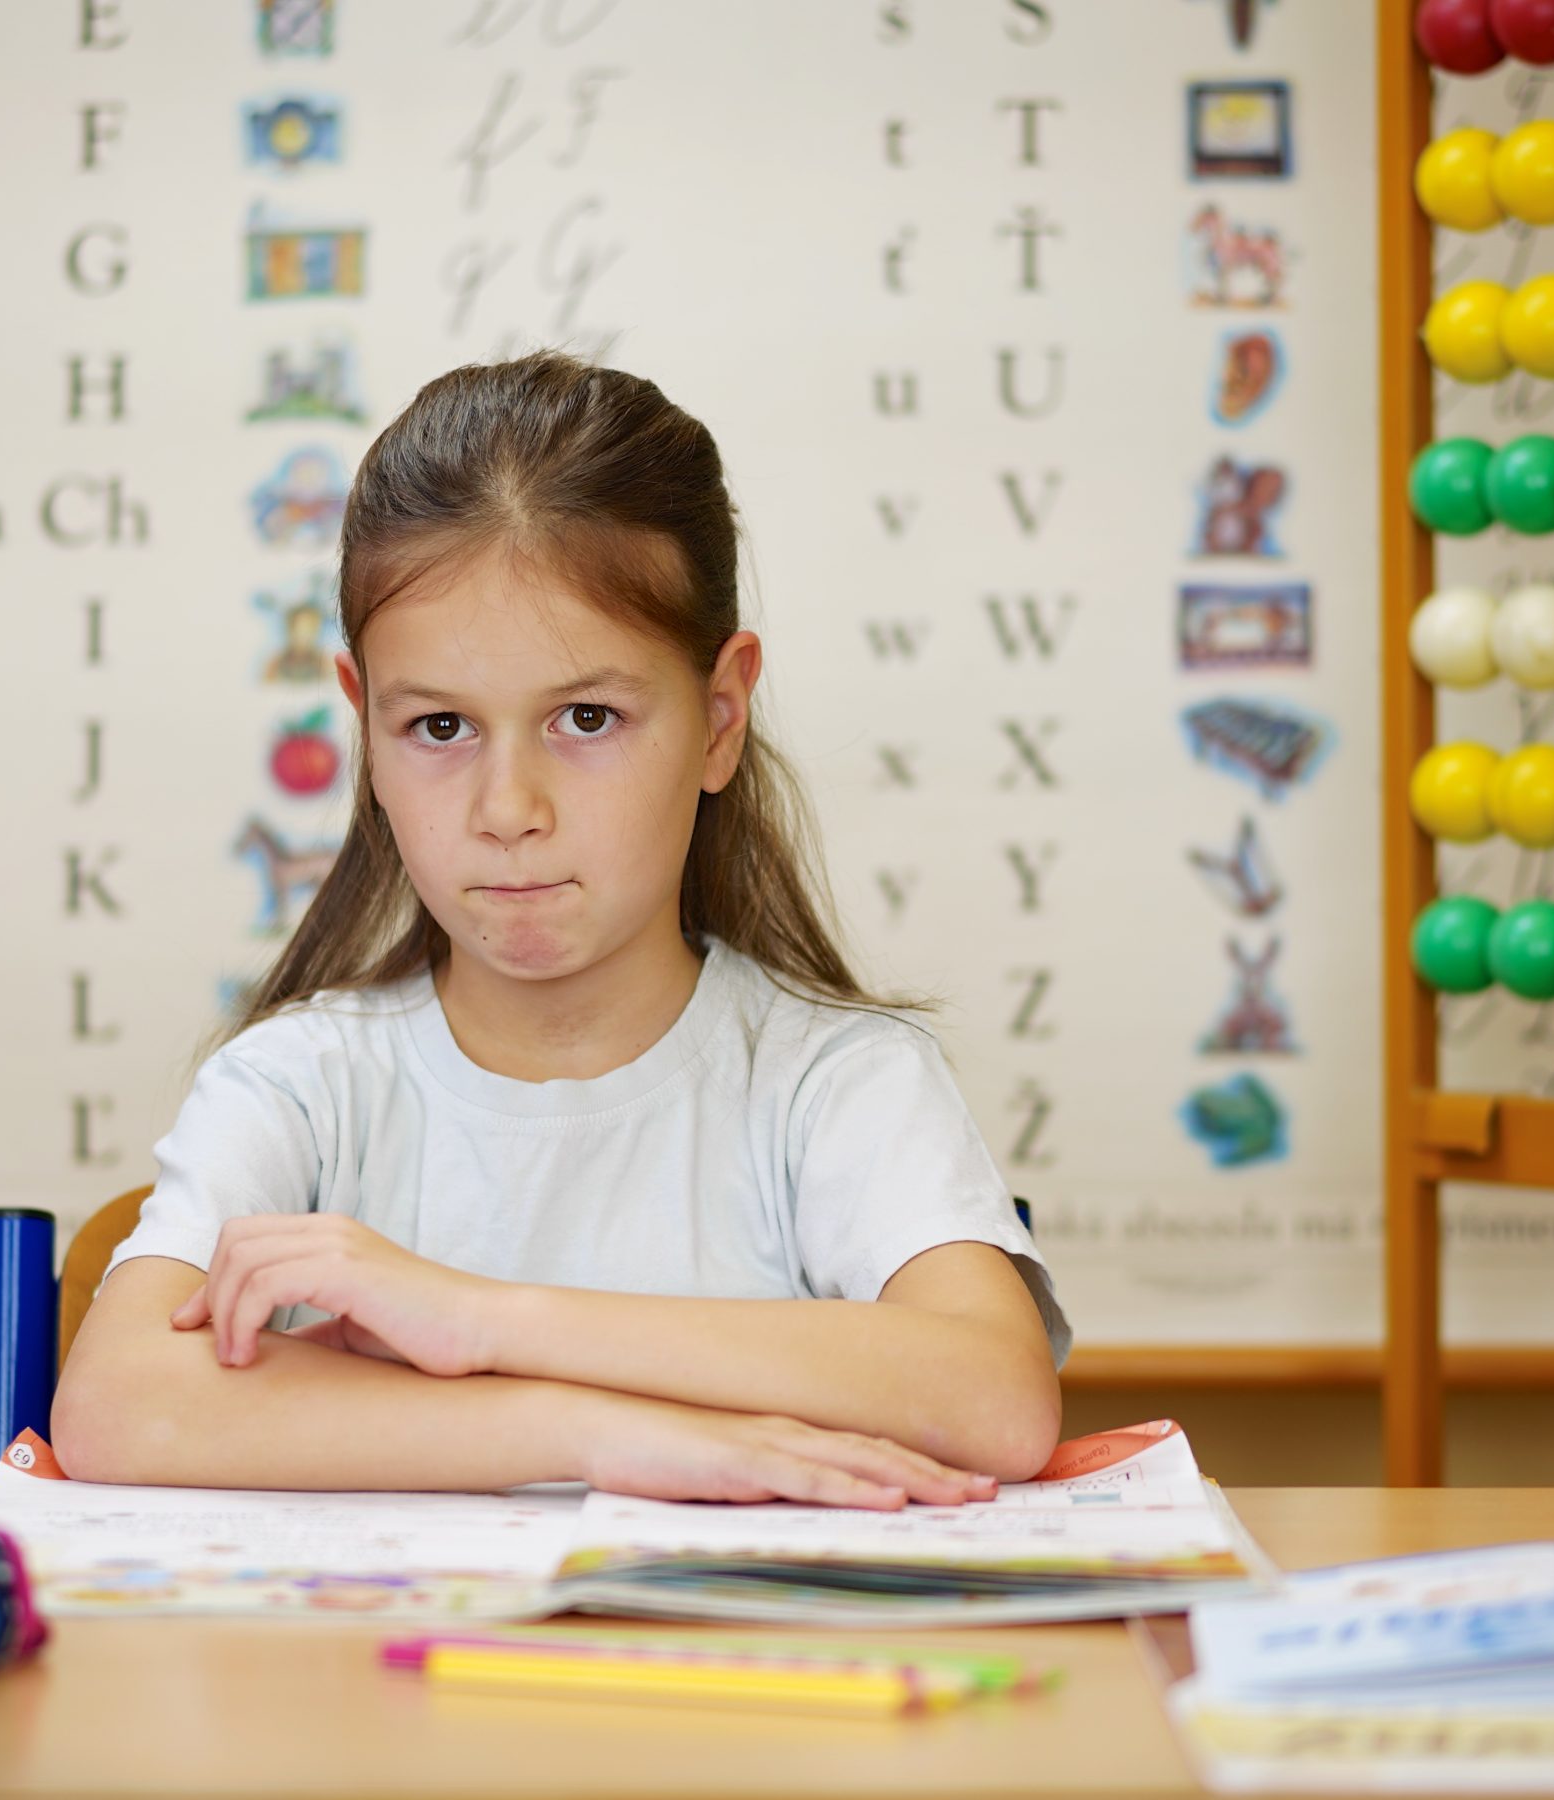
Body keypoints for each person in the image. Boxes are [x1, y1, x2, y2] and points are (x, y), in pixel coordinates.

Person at [53, 351, 1071, 1509]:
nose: (508, 811)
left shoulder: (833, 1082)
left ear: (719, 718)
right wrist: (590, 1432)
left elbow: (995, 1398)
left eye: (587, 717)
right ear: (365, 726)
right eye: (439, 728)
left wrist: (478, 1319)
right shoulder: (298, 1084)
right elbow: (117, 1401)